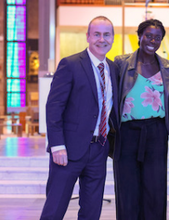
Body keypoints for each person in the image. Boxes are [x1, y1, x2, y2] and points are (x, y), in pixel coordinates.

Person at [40, 16, 119, 220]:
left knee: (92, 211)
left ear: (113, 37)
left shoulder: (114, 69)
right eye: (97, 34)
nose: (102, 39)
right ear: (88, 37)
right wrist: (57, 145)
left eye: (107, 34)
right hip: (68, 150)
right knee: (54, 209)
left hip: (99, 149)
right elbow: (54, 107)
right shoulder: (71, 64)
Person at [113, 19, 169, 220]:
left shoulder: (166, 66)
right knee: (127, 187)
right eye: (148, 35)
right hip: (128, 132)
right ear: (139, 36)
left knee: (155, 188)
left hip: (156, 132)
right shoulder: (121, 62)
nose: (152, 41)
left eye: (158, 37)